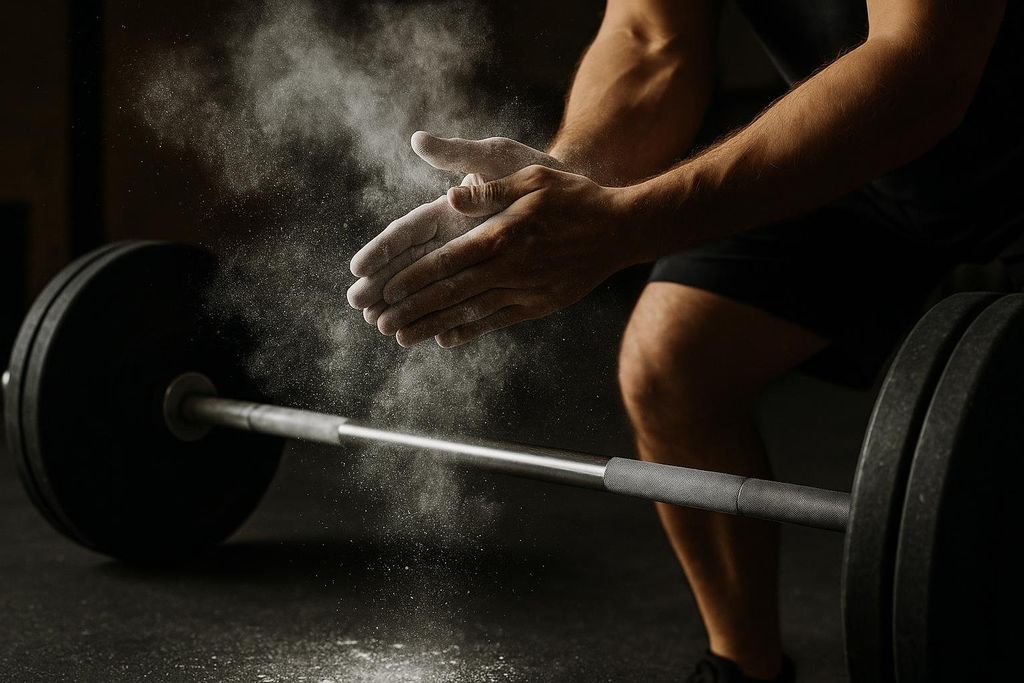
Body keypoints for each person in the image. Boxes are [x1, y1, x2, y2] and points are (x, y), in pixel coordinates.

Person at [346, 1, 1022, 681]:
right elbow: (651, 37)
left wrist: (627, 225)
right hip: (868, 153)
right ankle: (743, 667)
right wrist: (570, 176)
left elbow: (920, 68)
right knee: (673, 363)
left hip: (974, 128)